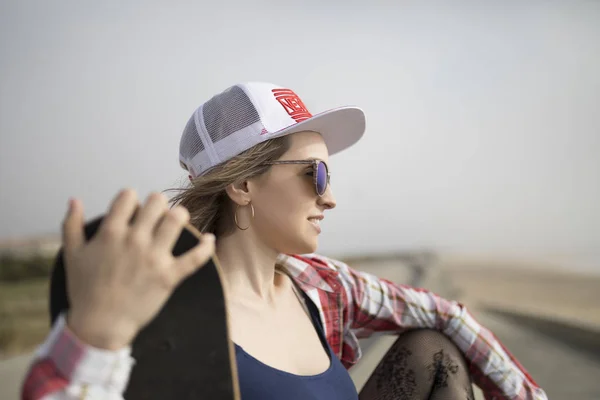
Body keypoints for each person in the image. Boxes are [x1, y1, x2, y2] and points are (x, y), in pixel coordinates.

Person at [21, 82, 547, 399]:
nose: (331, 197)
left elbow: (448, 318)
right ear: (243, 184)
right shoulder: (167, 314)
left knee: (433, 349)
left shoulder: (323, 287)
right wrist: (93, 337)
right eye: (315, 175)